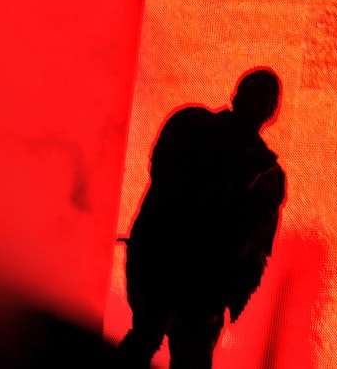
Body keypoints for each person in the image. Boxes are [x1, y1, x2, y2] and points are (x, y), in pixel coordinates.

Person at [118, 68, 286, 369]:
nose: (265, 103)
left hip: (186, 283)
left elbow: (259, 248)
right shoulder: (195, 128)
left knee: (148, 343)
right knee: (151, 342)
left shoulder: (191, 126)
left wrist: (234, 295)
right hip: (173, 274)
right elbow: (258, 248)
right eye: (262, 95)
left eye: (269, 97)